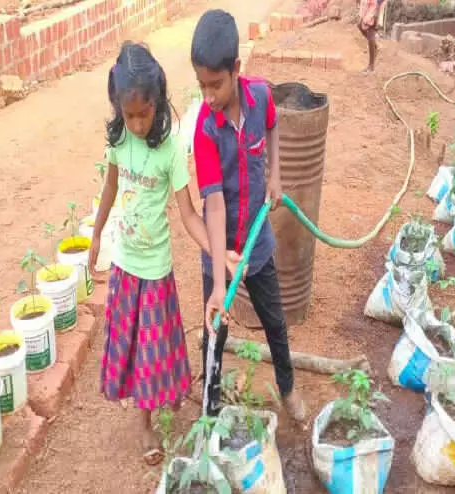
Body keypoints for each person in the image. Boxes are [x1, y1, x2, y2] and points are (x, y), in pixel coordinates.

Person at [88, 41, 236, 464]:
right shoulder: (118, 141)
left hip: (155, 269)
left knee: (157, 348)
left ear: (158, 102)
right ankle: (144, 423)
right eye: (128, 114)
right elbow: (110, 189)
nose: (136, 123)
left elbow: (189, 214)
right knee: (134, 347)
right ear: (118, 107)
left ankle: (161, 399)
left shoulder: (170, 150)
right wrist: (97, 235)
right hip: (125, 265)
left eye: (144, 113)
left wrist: (216, 247)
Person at [190, 9, 306, 423]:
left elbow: (273, 128)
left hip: (256, 244)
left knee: (275, 323)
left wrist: (275, 174)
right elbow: (214, 204)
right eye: (201, 85)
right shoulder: (205, 128)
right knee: (213, 333)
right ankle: (211, 406)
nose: (207, 95)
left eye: (215, 85)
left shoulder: (260, 97)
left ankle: (287, 387)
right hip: (218, 246)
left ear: (236, 70)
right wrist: (220, 284)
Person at [358, 0, 386, 73]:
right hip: (368, 4)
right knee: (359, 25)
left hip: (375, 6)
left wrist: (376, 13)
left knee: (370, 31)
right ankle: (375, 45)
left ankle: (371, 66)